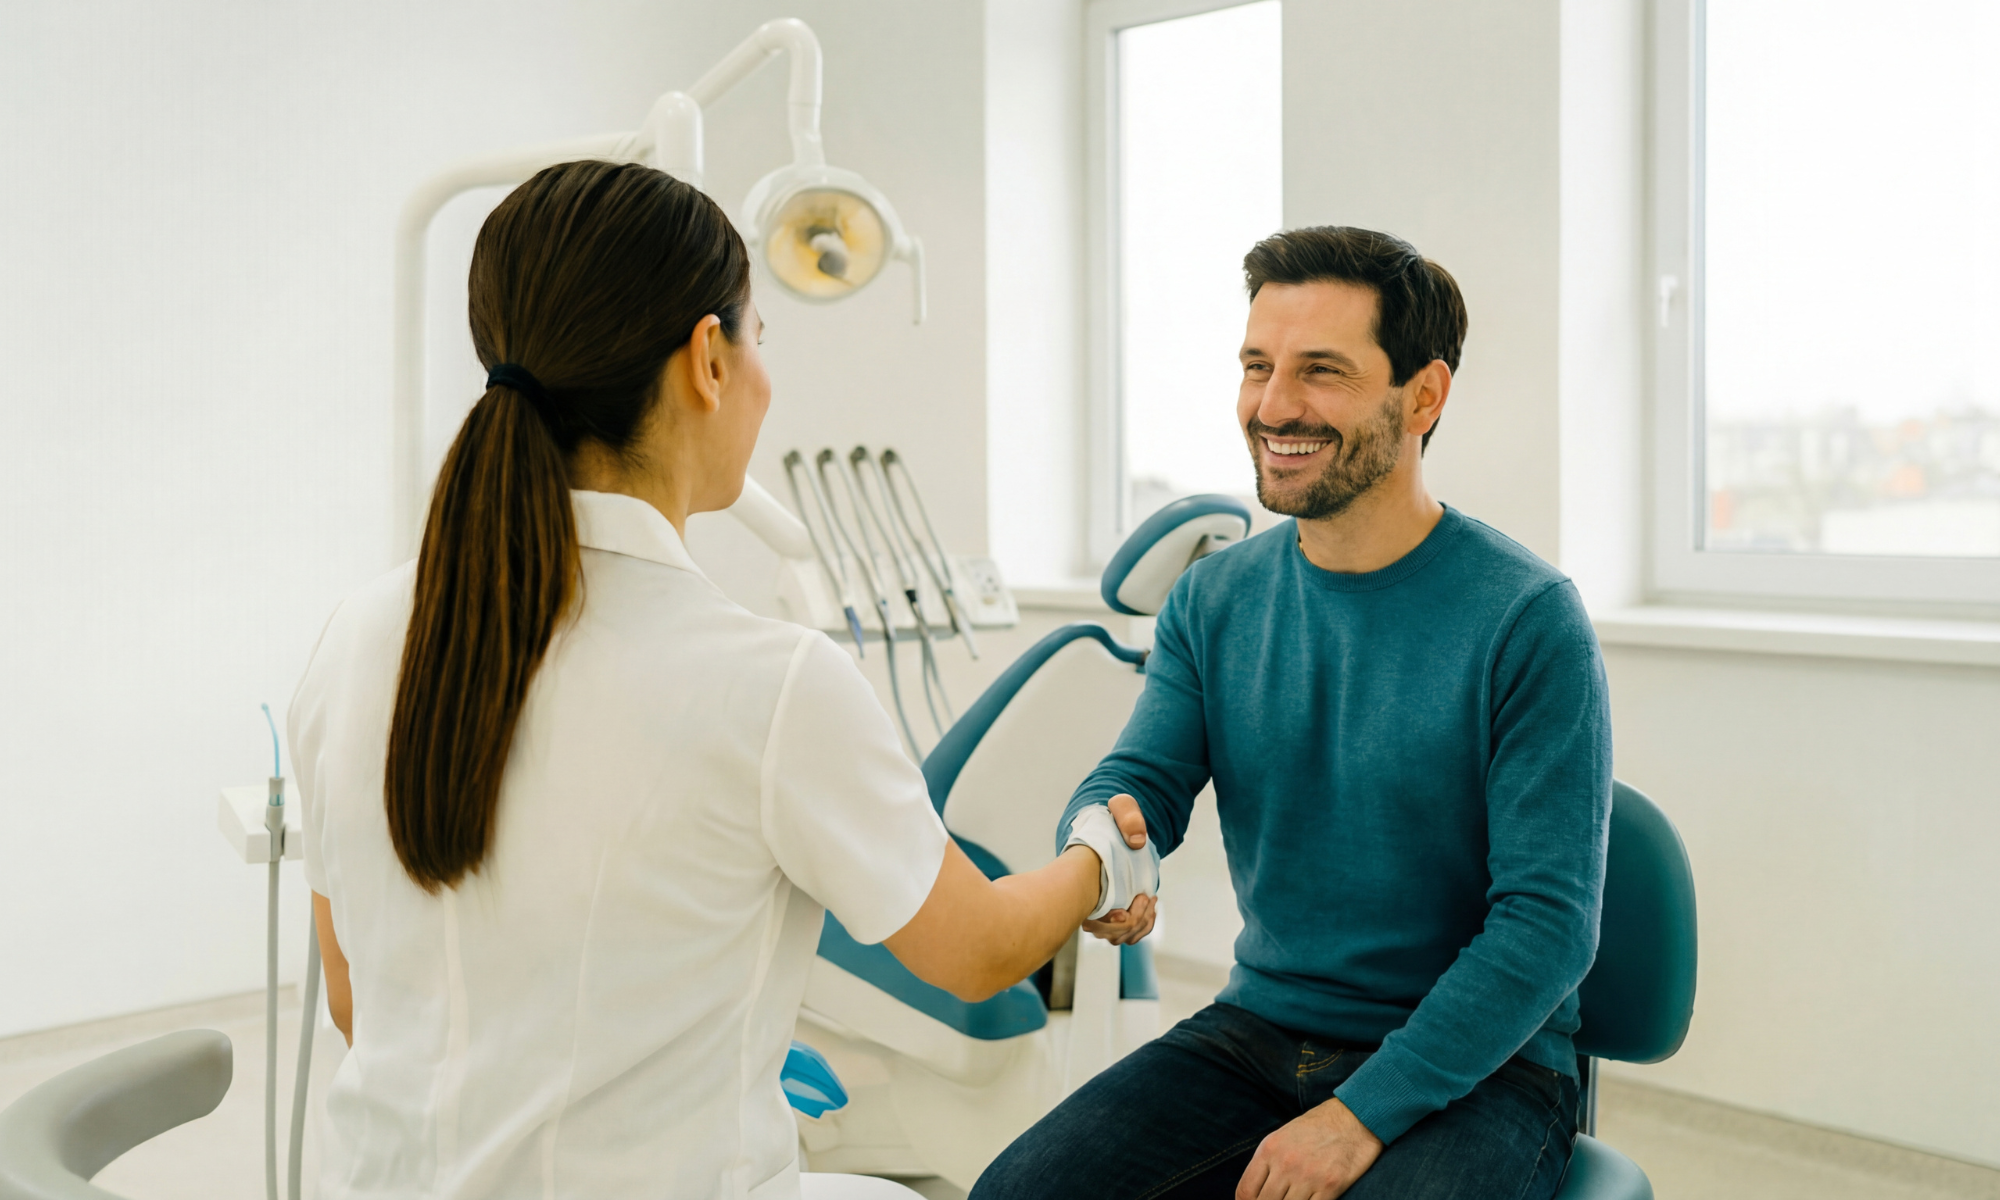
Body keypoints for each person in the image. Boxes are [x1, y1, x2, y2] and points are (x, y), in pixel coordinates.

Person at [288, 160, 1155, 1200]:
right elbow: (974, 955)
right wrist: (1100, 858)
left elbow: (357, 1002)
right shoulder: (774, 682)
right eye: (759, 339)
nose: (762, 378)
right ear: (708, 356)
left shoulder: (357, 635)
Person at [972, 227, 1612, 1200]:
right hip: (1257, 1031)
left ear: (1423, 396)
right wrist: (1101, 841)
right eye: (1256, 367)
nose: (1273, 406)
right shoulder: (1213, 599)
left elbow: (1545, 928)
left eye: (1320, 371)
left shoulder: (1525, 619)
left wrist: (1359, 1117)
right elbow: (1141, 779)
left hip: (1480, 1065)